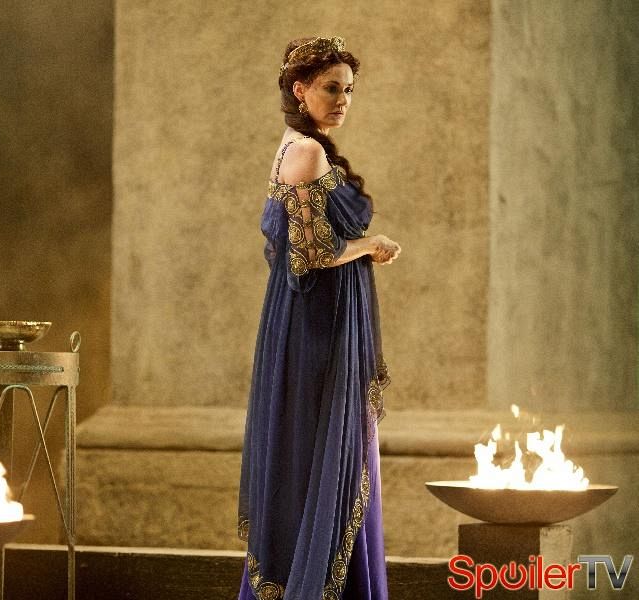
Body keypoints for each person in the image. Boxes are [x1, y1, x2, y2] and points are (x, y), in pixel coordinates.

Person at [237, 36, 401, 600]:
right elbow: (308, 254)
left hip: (314, 319)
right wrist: (370, 243)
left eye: (349, 90)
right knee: (326, 449)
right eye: (332, 88)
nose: (343, 100)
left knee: (321, 452)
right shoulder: (306, 152)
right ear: (300, 89)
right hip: (316, 326)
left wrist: (359, 249)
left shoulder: (299, 147)